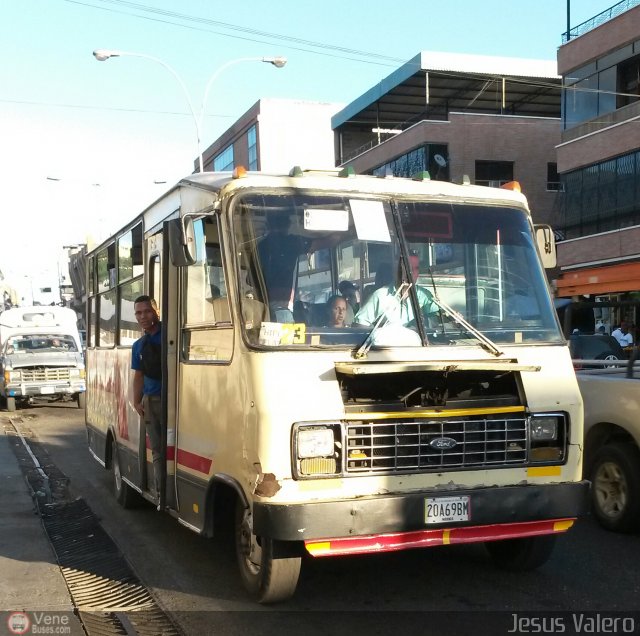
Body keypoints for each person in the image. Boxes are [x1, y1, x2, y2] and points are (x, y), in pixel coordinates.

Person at [131, 295, 163, 502]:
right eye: (138, 313)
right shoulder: (139, 345)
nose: (143, 316)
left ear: (156, 311)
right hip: (152, 401)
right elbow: (138, 376)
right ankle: (161, 493)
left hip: (176, 400)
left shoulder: (171, 335)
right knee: (158, 450)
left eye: (147, 311)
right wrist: (136, 401)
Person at [354, 253, 437, 328]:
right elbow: (359, 325)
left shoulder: (424, 295)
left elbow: (439, 319)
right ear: (397, 270)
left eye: (416, 268)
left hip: (421, 343)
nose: (412, 273)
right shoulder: (381, 296)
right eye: (408, 268)